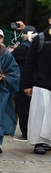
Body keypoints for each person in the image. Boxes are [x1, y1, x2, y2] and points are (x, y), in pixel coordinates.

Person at [22, 24, 51, 154]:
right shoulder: (40, 39)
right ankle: (39, 142)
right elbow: (29, 63)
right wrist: (27, 84)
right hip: (41, 82)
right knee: (40, 114)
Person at [12, 25, 37, 142]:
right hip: (38, 81)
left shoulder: (21, 49)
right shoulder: (39, 46)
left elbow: (12, 59)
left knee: (23, 108)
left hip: (23, 81)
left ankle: (26, 132)